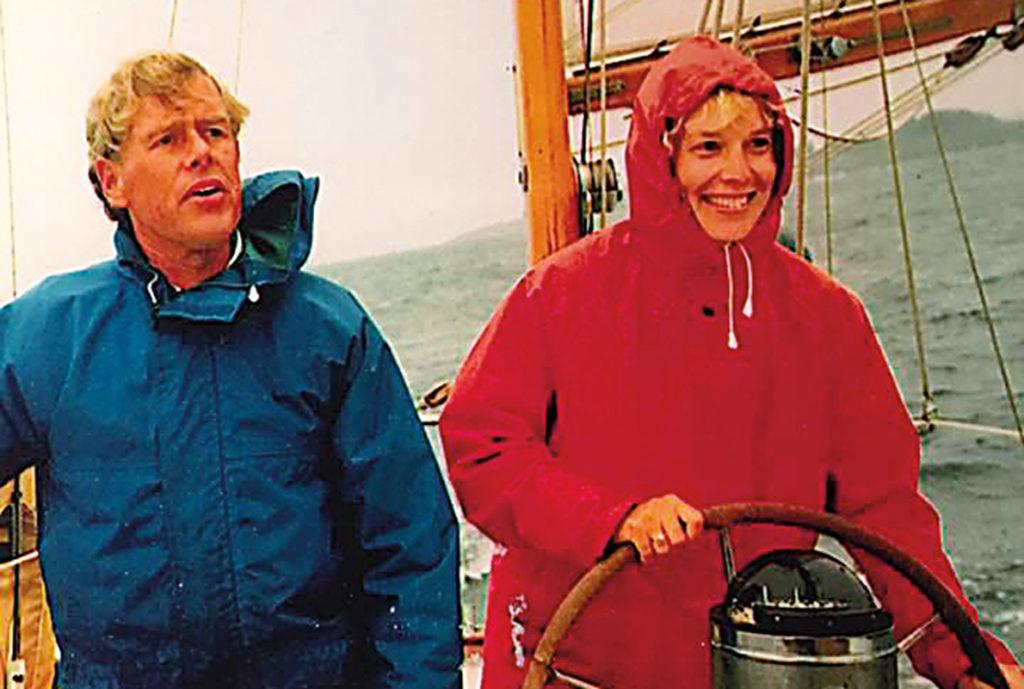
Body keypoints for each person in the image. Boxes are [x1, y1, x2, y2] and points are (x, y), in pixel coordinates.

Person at [439, 37, 1021, 689]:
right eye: (708, 148)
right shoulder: (558, 295)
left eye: (758, 146)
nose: (737, 173)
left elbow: (886, 510)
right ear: (662, 159)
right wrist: (612, 517)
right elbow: (482, 448)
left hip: (752, 670)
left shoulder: (828, 317)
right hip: (571, 669)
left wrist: (965, 658)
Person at [0, 51, 461, 688]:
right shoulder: (46, 337)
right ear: (113, 182)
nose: (203, 153)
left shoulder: (329, 330)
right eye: (168, 138)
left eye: (217, 132)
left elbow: (409, 550)